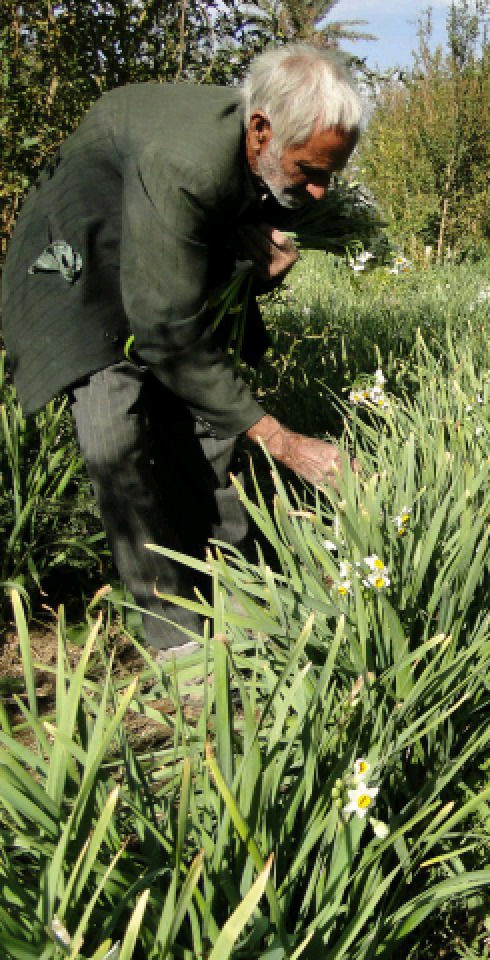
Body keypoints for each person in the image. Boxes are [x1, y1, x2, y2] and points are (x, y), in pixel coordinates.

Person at [0, 44, 363, 656]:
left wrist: (257, 252)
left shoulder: (260, 150)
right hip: (80, 260)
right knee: (119, 430)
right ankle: (176, 643)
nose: (321, 191)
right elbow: (166, 332)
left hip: (159, 238)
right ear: (261, 131)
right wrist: (278, 437)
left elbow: (214, 240)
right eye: (311, 170)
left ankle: (242, 593)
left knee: (213, 425)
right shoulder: (186, 161)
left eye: (332, 173)